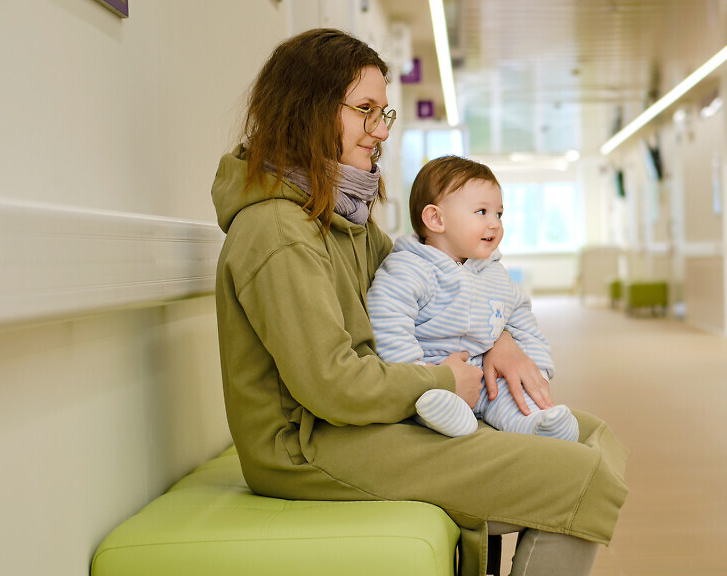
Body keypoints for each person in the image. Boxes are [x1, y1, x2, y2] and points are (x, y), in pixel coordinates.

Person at [211, 28, 628, 576]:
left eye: (384, 114)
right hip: (307, 446)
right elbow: (329, 385)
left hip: (363, 420)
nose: (379, 131)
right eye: (365, 110)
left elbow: (436, 279)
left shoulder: (340, 215)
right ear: (308, 108)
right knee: (582, 473)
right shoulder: (278, 231)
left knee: (593, 435)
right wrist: (441, 383)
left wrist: (499, 338)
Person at [367, 155, 579, 441]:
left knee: (511, 397)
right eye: (481, 212)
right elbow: (388, 323)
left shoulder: (495, 273)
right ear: (436, 219)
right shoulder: (410, 267)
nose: (494, 224)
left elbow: (523, 322)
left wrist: (537, 372)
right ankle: (452, 417)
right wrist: (418, 376)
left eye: (499, 214)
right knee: (433, 403)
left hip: (485, 374)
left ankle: (539, 424)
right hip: (434, 375)